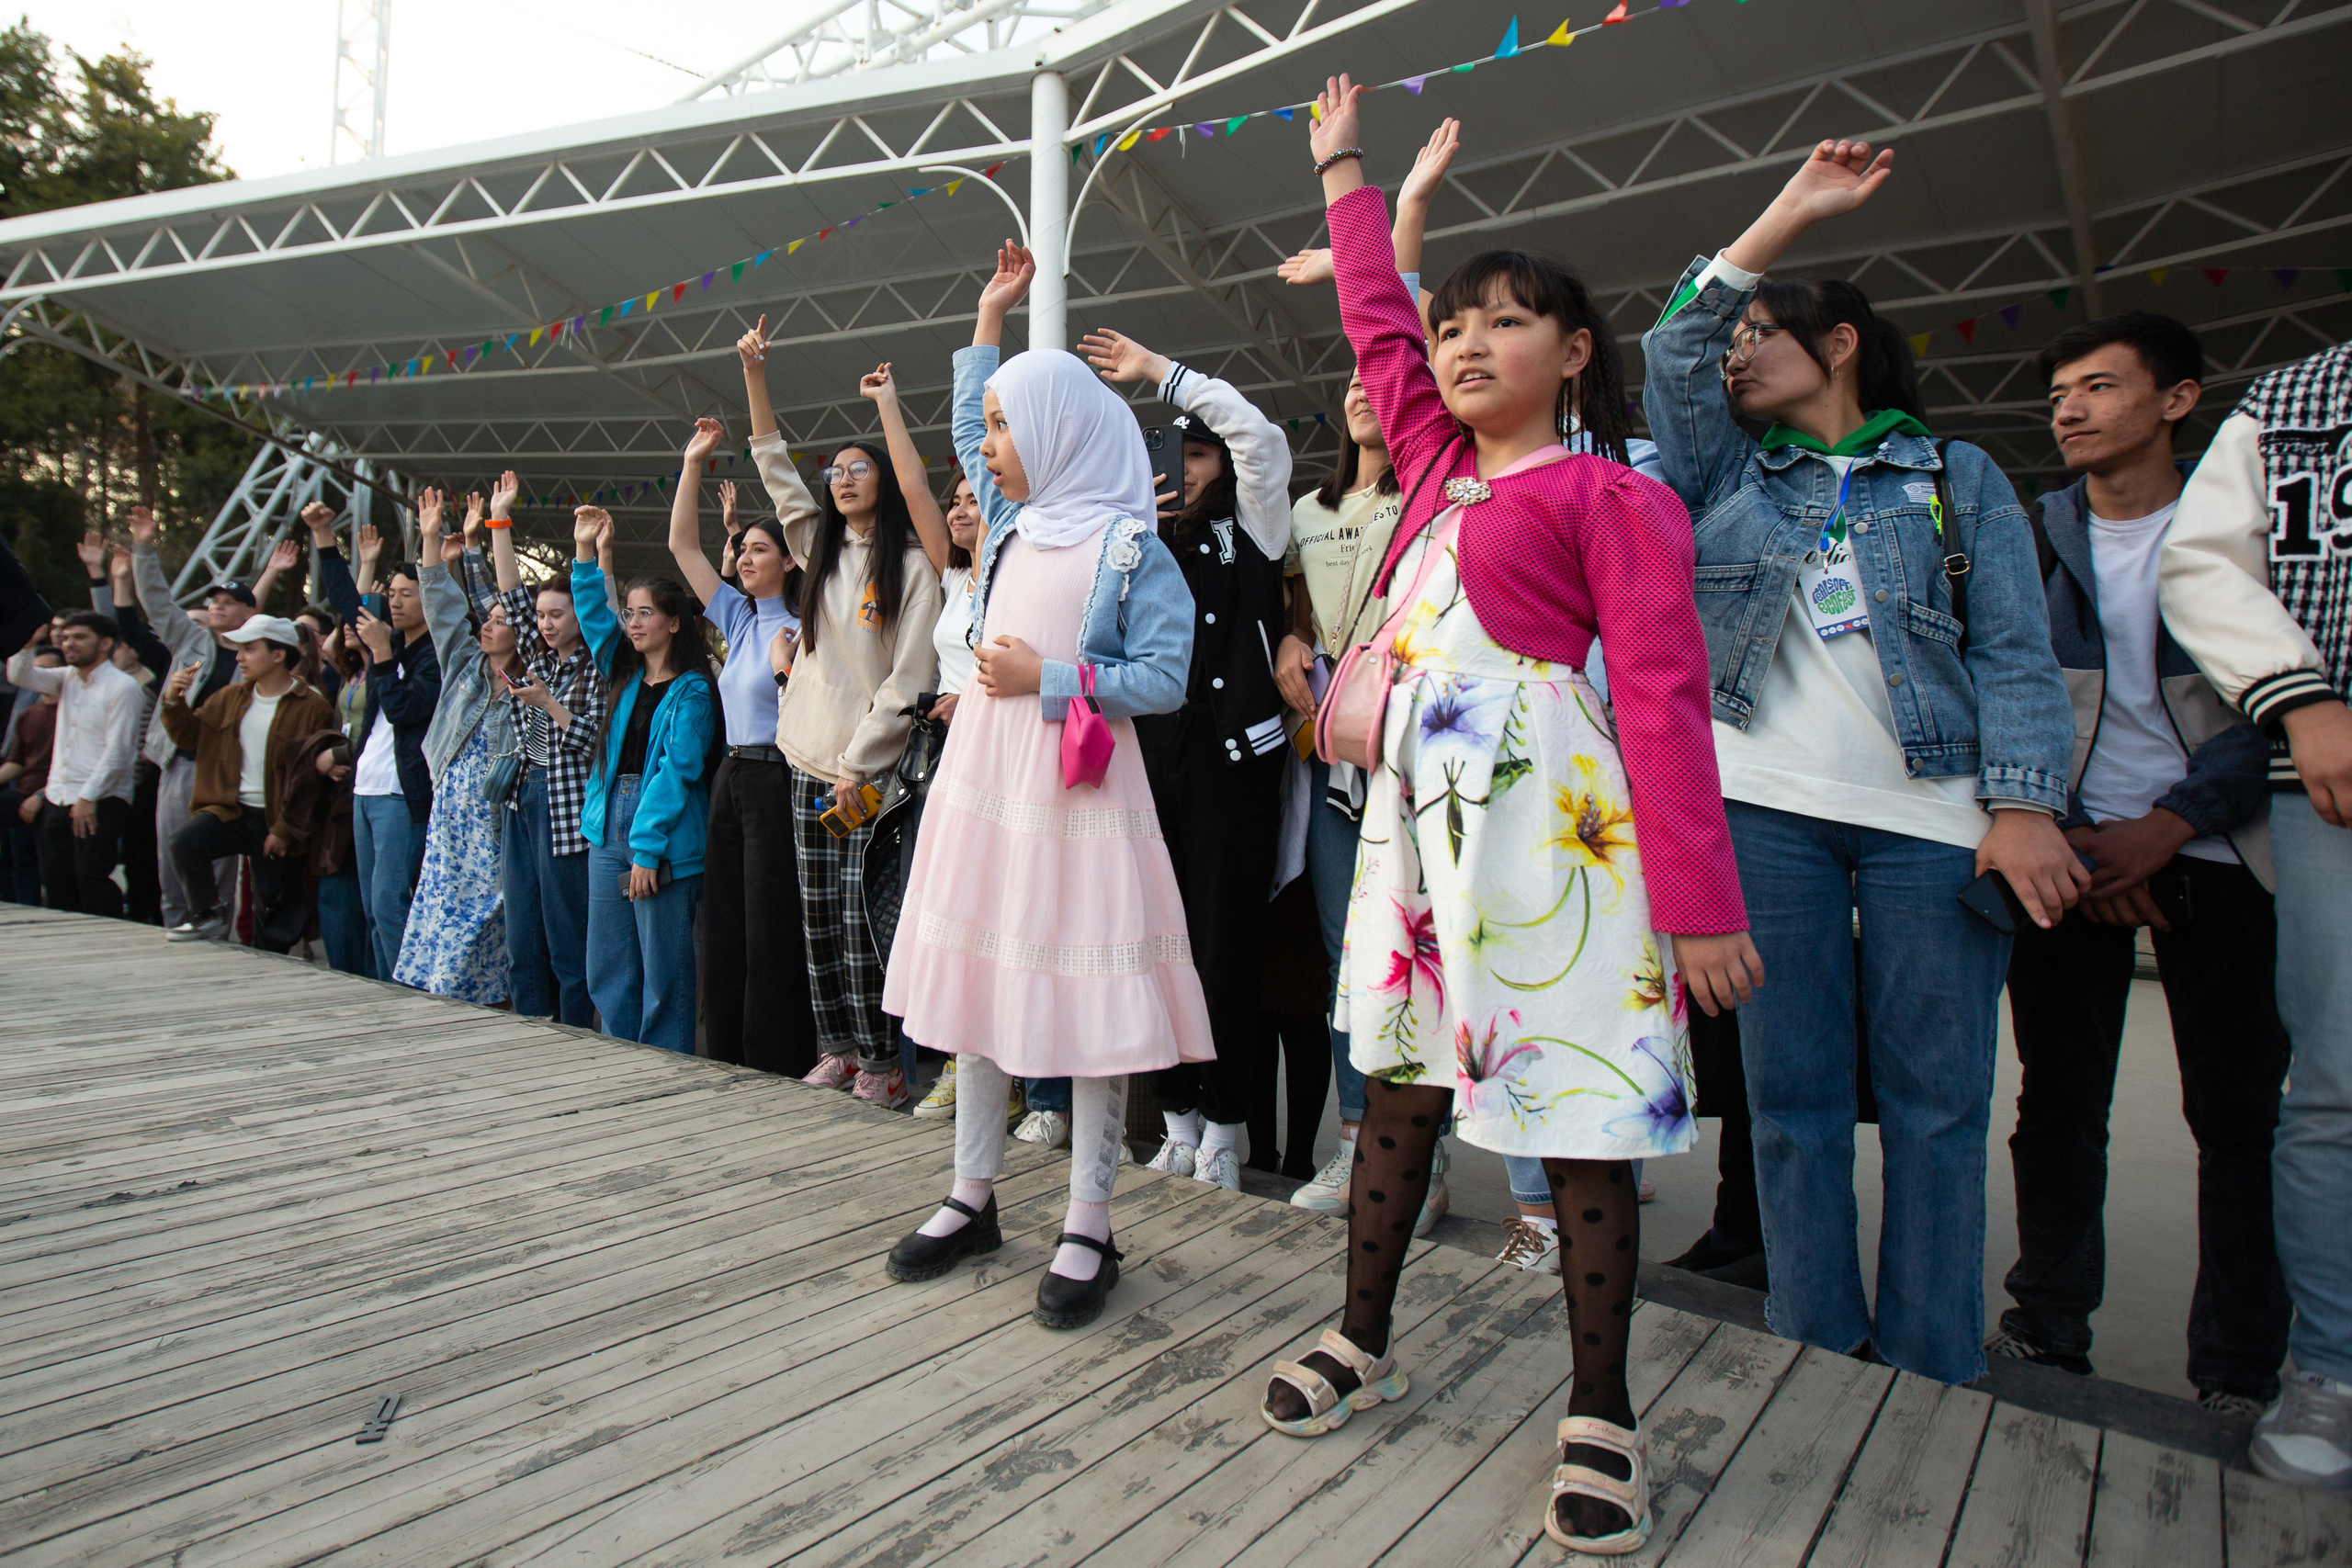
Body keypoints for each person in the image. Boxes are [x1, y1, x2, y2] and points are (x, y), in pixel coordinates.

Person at [1267, 87, 1761, 1557]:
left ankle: (1601, 1409)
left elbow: (1665, 701)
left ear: (1575, 352)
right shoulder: (1427, 467)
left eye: (1507, 321)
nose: (1466, 342)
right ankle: (1364, 1334)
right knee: (1400, 1089)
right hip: (1414, 839)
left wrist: (1703, 898)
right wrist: (1346, 172)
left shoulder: (1611, 496)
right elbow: (1373, 315)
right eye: (1456, 324)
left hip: (1555, 834)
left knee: (1582, 1120)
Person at [1643, 139, 2085, 1389]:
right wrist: (1785, 211)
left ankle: (1934, 1365)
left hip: (1935, 822)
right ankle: (1818, 1345)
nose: (1738, 355)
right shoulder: (1730, 469)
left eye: (1767, 334)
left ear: (1840, 346)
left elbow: (2014, 654)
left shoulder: (1958, 474)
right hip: (1766, 814)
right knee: (1789, 1103)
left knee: (1939, 1110)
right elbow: (1678, 344)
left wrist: (2022, 804)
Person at [881, 240, 1206, 1331]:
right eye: (989, 432)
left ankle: (1088, 1219)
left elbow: (1163, 680)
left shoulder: (1129, 545)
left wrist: (1048, 676)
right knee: (979, 980)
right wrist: (988, 315)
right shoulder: (1015, 523)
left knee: (1086, 997)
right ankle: (971, 1193)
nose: (989, 450)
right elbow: (979, 411)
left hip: (1076, 796)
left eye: (1007, 431)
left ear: (1062, 430)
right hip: (987, 785)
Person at [1987, 313, 2290, 1416]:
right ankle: (2047, 1326)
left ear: (2177, 401)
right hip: (2065, 855)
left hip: (2220, 853)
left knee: (2238, 1122)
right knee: (2057, 1106)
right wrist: (2067, 830)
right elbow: (2004, 689)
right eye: (2060, 390)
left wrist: (2169, 827)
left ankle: (2237, 1371)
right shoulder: (2029, 534)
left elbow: (2290, 699)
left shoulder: (2245, 533)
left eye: (2099, 387)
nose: (2068, 408)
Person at [2159, 338, 2352, 1491]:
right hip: (2333, 776)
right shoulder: (2294, 396)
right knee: (2329, 1090)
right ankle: (2326, 1370)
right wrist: (2302, 693)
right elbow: (2204, 564)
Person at [1075, 321, 1294, 1193]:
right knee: (1147, 941)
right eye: (1174, 455)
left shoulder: (1256, 524)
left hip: (1234, 762)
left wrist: (1162, 373)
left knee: (1223, 947)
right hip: (1145, 760)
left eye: (1200, 454)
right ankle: (1176, 1118)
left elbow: (1262, 440)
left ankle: (1229, 1126)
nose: (1189, 467)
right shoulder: (1125, 540)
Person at [752, 378, 944, 1105]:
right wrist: (756, 377)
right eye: (833, 472)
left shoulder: (912, 566)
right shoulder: (818, 551)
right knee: (818, 915)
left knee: (865, 917)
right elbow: (774, 464)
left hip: (865, 775)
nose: (841, 480)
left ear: (885, 483)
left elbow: (907, 681)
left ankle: (882, 1062)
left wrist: (858, 761)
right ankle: (835, 1048)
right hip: (803, 759)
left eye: (857, 468)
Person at [675, 344, 822, 1073]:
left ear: (789, 559)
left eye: (762, 548)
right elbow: (683, 546)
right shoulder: (736, 617)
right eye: (745, 550)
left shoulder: (803, 622)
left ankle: (778, 1057)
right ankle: (725, 1050)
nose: (747, 557)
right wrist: (694, 461)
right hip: (732, 778)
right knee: (725, 921)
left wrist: (787, 670)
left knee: (771, 925)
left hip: (778, 777)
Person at [909, 470, 1033, 1140]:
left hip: (1002, 754)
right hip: (947, 760)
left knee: (1002, 912)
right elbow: (910, 485)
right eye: (950, 499)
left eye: (971, 497)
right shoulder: (953, 575)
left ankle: (1017, 1078)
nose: (959, 508)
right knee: (955, 914)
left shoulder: (1012, 566)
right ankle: (968, 1060)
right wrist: (887, 407)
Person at [571, 504, 719, 1049]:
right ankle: (618, 1059)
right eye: (629, 613)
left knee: (665, 970)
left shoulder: (695, 692)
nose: (632, 622)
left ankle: (668, 1069)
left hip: (661, 834)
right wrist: (586, 552)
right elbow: (591, 615)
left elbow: (675, 775)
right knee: (608, 963)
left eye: (644, 613)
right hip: (607, 823)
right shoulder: (625, 672)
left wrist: (647, 850)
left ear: (674, 622)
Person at [386, 491, 512, 1002]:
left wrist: (485, 541)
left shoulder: (530, 686)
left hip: (495, 816)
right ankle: (444, 991)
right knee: (442, 901)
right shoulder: (465, 665)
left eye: (501, 621)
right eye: (488, 620)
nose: (487, 625)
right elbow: (441, 608)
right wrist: (431, 538)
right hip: (450, 812)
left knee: (490, 908)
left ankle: (489, 995)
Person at [312, 509, 443, 982]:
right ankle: (383, 987)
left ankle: (405, 990)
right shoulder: (391, 647)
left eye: (408, 594)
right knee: (371, 905)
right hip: (364, 790)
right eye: (393, 595)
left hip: (400, 796)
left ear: (431, 600)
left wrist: (383, 657)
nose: (397, 602)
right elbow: (349, 603)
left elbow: (408, 711)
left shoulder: (435, 658)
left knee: (392, 904)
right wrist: (325, 539)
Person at [155, 613, 336, 944]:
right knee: (184, 842)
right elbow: (189, 736)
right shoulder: (229, 697)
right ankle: (208, 913)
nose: (239, 656)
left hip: (275, 818)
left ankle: (272, 964)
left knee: (273, 903)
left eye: (249, 649)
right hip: (231, 810)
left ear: (278, 654)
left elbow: (310, 779)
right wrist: (173, 700)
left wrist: (284, 829)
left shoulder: (312, 706)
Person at [126, 505, 256, 931]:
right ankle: (174, 927)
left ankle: (214, 936)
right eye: (213, 600)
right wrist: (144, 548)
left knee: (215, 862)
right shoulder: (189, 639)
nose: (217, 606)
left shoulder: (258, 657)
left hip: (224, 770)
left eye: (229, 602)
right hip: (180, 764)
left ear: (249, 615)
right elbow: (157, 602)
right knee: (170, 855)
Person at [5, 612, 143, 917]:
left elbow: (118, 752)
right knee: (55, 878)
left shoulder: (123, 686)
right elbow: (19, 675)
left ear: (106, 643)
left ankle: (110, 936)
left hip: (101, 798)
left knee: (90, 876)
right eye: (66, 637)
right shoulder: (65, 678)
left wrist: (87, 797)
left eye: (80, 637)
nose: (69, 644)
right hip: (58, 794)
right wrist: (26, 645)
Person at [0, 641, 62, 905]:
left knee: (49, 865)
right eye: (37, 671)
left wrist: (40, 794)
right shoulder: (28, 714)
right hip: (24, 791)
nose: (41, 678)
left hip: (58, 794)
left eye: (49, 671)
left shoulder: (72, 711)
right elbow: (16, 763)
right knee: (19, 858)